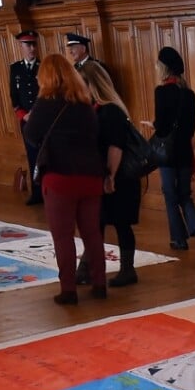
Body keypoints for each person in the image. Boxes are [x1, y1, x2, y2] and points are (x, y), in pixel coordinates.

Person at [24, 53, 106, 305]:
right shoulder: (84, 104)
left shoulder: (44, 104)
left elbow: (31, 135)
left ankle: (69, 289)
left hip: (60, 178)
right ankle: (100, 284)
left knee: (63, 236)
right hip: (90, 177)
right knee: (93, 234)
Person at [78, 61, 140, 287]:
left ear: (92, 84)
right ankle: (85, 268)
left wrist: (110, 176)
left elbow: (116, 147)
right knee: (97, 223)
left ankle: (127, 270)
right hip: (105, 176)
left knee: (121, 224)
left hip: (120, 178)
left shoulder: (110, 111)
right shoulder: (96, 109)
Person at [146, 46, 195, 251]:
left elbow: (162, 127)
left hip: (168, 152)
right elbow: (191, 128)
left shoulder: (161, 92)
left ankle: (178, 239)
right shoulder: (189, 94)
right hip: (184, 151)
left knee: (170, 195)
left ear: (164, 67)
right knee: (184, 193)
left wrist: (153, 124)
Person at [9, 30, 43, 205]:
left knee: (46, 154)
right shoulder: (15, 68)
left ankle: (48, 191)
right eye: (28, 44)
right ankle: (37, 193)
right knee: (32, 155)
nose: (32, 48)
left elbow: (46, 93)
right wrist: (23, 115)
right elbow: (14, 96)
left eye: (34, 44)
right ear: (21, 46)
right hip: (26, 120)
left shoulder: (43, 66)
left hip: (43, 118)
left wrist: (36, 114)